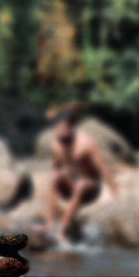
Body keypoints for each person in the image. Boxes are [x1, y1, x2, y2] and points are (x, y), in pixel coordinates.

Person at [43, 104, 118, 243]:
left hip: (90, 189)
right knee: (53, 177)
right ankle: (49, 223)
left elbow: (103, 169)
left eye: (65, 127)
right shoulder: (55, 145)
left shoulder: (85, 143)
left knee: (81, 184)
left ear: (71, 127)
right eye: (59, 127)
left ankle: (62, 231)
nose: (62, 131)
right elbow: (55, 169)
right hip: (71, 186)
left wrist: (116, 194)